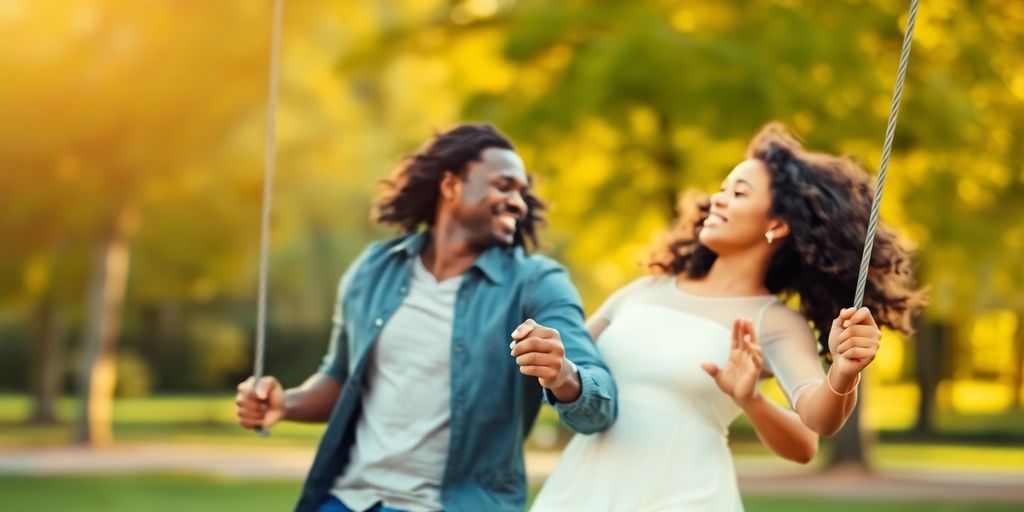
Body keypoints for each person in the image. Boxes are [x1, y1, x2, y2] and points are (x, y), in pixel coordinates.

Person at [531, 123, 925, 511]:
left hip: (684, 499)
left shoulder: (774, 322)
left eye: (738, 192)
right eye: (721, 189)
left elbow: (813, 431)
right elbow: (571, 360)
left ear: (777, 224)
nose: (717, 200)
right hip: (583, 492)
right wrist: (549, 356)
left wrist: (837, 374)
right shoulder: (646, 289)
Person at [234, 124, 618, 512]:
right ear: (451, 185)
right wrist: (286, 404)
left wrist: (562, 374)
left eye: (521, 192)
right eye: (503, 186)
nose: (518, 202)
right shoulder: (375, 269)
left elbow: (600, 409)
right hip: (349, 500)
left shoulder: (538, 283)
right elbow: (340, 376)